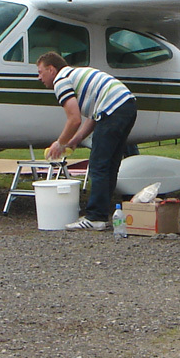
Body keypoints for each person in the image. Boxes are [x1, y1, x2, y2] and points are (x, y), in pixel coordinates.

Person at [36, 52, 138, 230]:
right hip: (126, 105)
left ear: (51, 69)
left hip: (112, 108)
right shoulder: (76, 75)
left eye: (40, 72)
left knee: (98, 165)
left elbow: (74, 119)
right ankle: (101, 214)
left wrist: (59, 143)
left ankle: (95, 216)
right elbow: (94, 115)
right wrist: (77, 139)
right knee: (110, 164)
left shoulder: (61, 80)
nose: (39, 78)